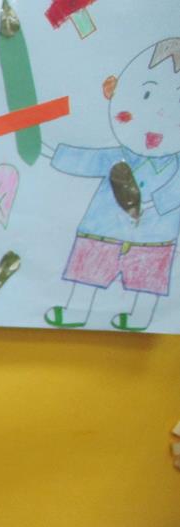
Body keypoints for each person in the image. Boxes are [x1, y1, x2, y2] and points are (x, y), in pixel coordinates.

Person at [44, 38, 180, 332]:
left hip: (155, 235)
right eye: (146, 95)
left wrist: (159, 201)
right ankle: (76, 310)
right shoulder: (117, 156)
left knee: (147, 278)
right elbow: (86, 160)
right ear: (113, 90)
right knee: (89, 270)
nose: (160, 113)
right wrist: (49, 150)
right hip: (102, 229)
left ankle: (141, 318)